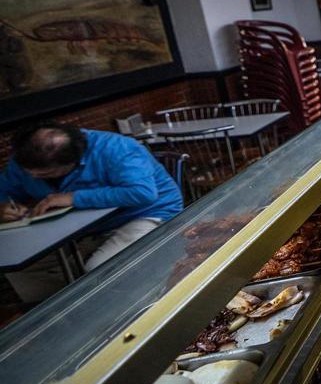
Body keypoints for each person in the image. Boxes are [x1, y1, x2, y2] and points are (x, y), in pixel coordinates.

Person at [0, 123, 184, 302]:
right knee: (22, 272)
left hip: (146, 213)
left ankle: (137, 302)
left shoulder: (116, 147)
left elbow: (142, 193)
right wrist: (3, 206)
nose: (33, 177)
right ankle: (72, 305)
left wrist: (73, 198)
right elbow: (5, 188)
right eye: (28, 172)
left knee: (99, 270)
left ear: (73, 161)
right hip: (84, 225)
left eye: (45, 174)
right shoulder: (27, 157)